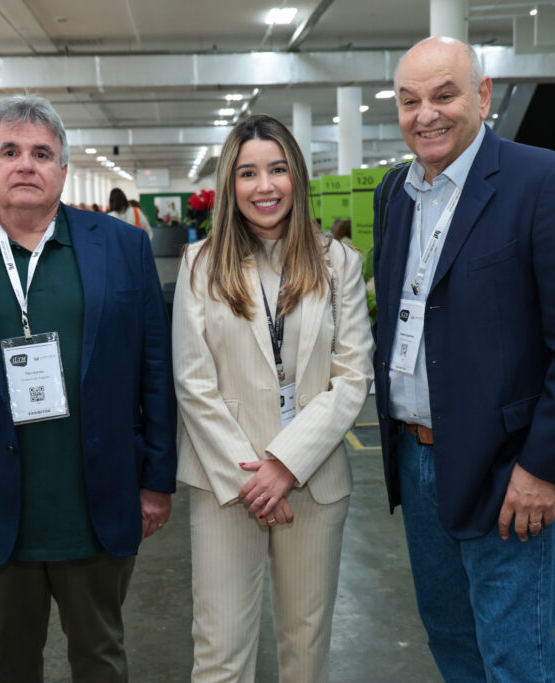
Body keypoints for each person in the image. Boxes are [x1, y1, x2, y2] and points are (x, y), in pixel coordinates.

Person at [0, 94, 176, 683]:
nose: (26, 164)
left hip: (97, 504)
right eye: (10, 151)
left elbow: (156, 368)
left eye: (42, 152)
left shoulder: (120, 249)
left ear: (63, 170)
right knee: (7, 664)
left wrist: (155, 480)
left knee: (101, 658)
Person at [372, 37, 555, 681]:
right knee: (451, 641)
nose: (425, 114)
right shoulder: (394, 194)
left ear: (482, 96)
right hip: (415, 455)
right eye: (409, 101)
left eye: (444, 95)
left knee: (516, 657)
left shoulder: (546, 182)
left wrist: (543, 467)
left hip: (506, 468)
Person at [172, 114, 373, 683]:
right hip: (226, 486)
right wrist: (254, 479)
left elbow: (353, 375)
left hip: (313, 480)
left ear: (297, 176)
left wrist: (284, 465)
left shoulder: (337, 264)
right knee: (220, 653)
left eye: (278, 169)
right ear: (230, 185)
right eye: (248, 173)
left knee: (306, 651)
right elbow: (194, 382)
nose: (265, 186)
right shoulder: (200, 266)